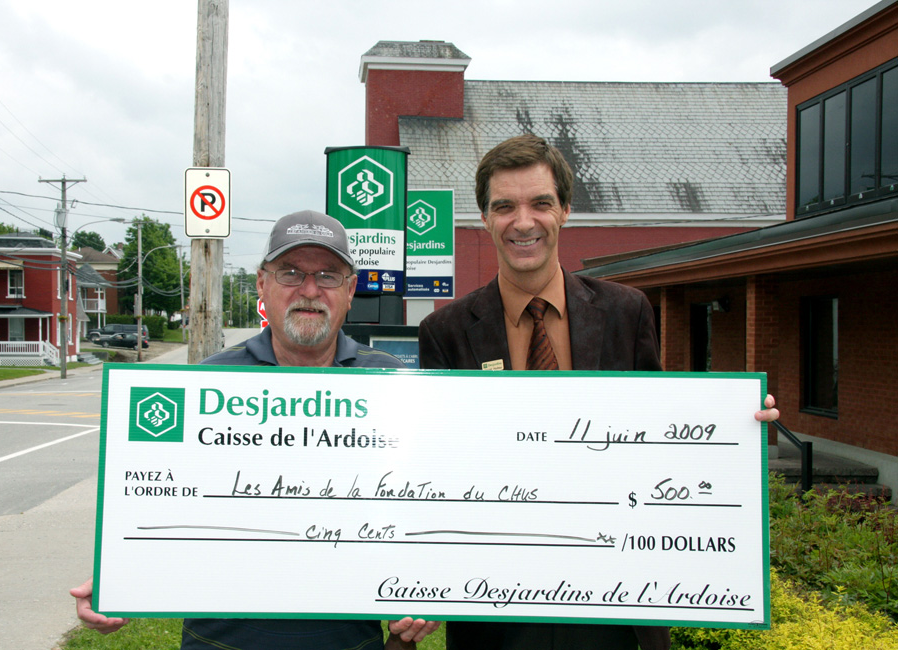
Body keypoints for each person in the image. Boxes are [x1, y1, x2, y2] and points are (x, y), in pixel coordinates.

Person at [417, 134, 779, 650]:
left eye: (540, 203)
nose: (523, 221)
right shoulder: (446, 330)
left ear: (565, 210)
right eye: (504, 207)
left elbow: (661, 441)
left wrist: (732, 430)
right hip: (498, 608)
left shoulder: (627, 312)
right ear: (485, 218)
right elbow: (437, 466)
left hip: (617, 604)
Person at [72, 210, 438, 650]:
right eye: (290, 273)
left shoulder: (392, 384)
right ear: (262, 284)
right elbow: (158, 502)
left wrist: (427, 587)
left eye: (327, 275)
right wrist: (121, 575)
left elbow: (421, 510)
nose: (309, 289)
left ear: (350, 289)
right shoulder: (205, 386)